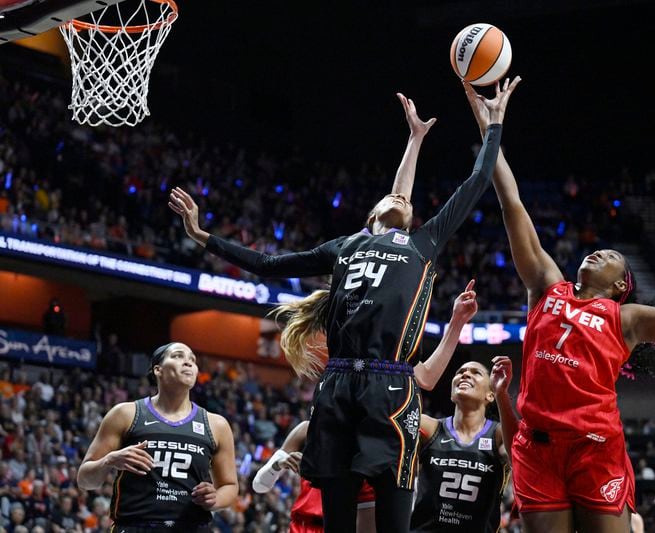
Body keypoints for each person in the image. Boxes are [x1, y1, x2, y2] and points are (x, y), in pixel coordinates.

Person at [170, 80, 519, 533]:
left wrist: (493, 125)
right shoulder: (347, 246)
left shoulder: (422, 243)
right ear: (371, 216)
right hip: (338, 384)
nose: (402, 200)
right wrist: (204, 238)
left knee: (392, 520)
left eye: (405, 203)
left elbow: (476, 182)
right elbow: (269, 263)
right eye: (394, 200)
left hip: (390, 387)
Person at [465, 80, 655, 533]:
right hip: (538, 447)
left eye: (611, 256)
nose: (598, 253)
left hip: (595, 445)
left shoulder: (627, 318)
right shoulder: (547, 285)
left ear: (622, 283)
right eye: (596, 251)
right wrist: (493, 127)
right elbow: (512, 202)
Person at [252, 284, 480, 533]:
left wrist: (456, 321)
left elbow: (426, 379)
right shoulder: (311, 425)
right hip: (305, 523)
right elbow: (260, 485)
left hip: (361, 498)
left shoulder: (389, 372)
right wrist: (281, 462)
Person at [77, 342, 238, 532]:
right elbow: (85, 480)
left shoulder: (216, 424)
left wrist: (215, 499)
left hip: (191, 527)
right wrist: (109, 460)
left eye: (192, 360)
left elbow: (229, 485)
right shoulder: (125, 414)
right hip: (134, 527)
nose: (188, 362)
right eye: (178, 356)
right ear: (158, 370)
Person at [411, 361, 509, 533]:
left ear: (490, 395)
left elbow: (520, 455)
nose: (465, 374)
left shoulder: (499, 435)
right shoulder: (430, 427)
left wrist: (502, 394)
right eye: (460, 371)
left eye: (476, 373)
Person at [253, 420, 376, 533]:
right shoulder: (306, 430)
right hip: (301, 526)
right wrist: (277, 465)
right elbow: (259, 485)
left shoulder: (367, 441)